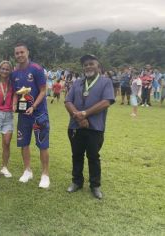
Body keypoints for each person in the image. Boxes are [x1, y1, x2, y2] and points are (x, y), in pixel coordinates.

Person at [65, 54, 114, 199]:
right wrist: (78, 117)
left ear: (98, 66)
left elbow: (106, 102)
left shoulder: (105, 82)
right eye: (85, 65)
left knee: (93, 156)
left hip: (95, 128)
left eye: (91, 63)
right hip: (75, 126)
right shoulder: (77, 83)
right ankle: (76, 182)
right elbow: (68, 101)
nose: (88, 67)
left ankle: (95, 185)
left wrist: (85, 114)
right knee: (77, 155)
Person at [11, 43, 51, 189]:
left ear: (27, 52)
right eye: (17, 53)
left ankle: (45, 174)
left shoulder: (36, 69)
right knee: (24, 143)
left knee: (42, 144)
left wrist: (34, 106)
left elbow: (42, 91)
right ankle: (27, 170)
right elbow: (16, 93)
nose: (20, 55)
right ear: (14, 55)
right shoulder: (14, 73)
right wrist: (14, 104)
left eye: (22, 52)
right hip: (23, 115)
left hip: (39, 114)